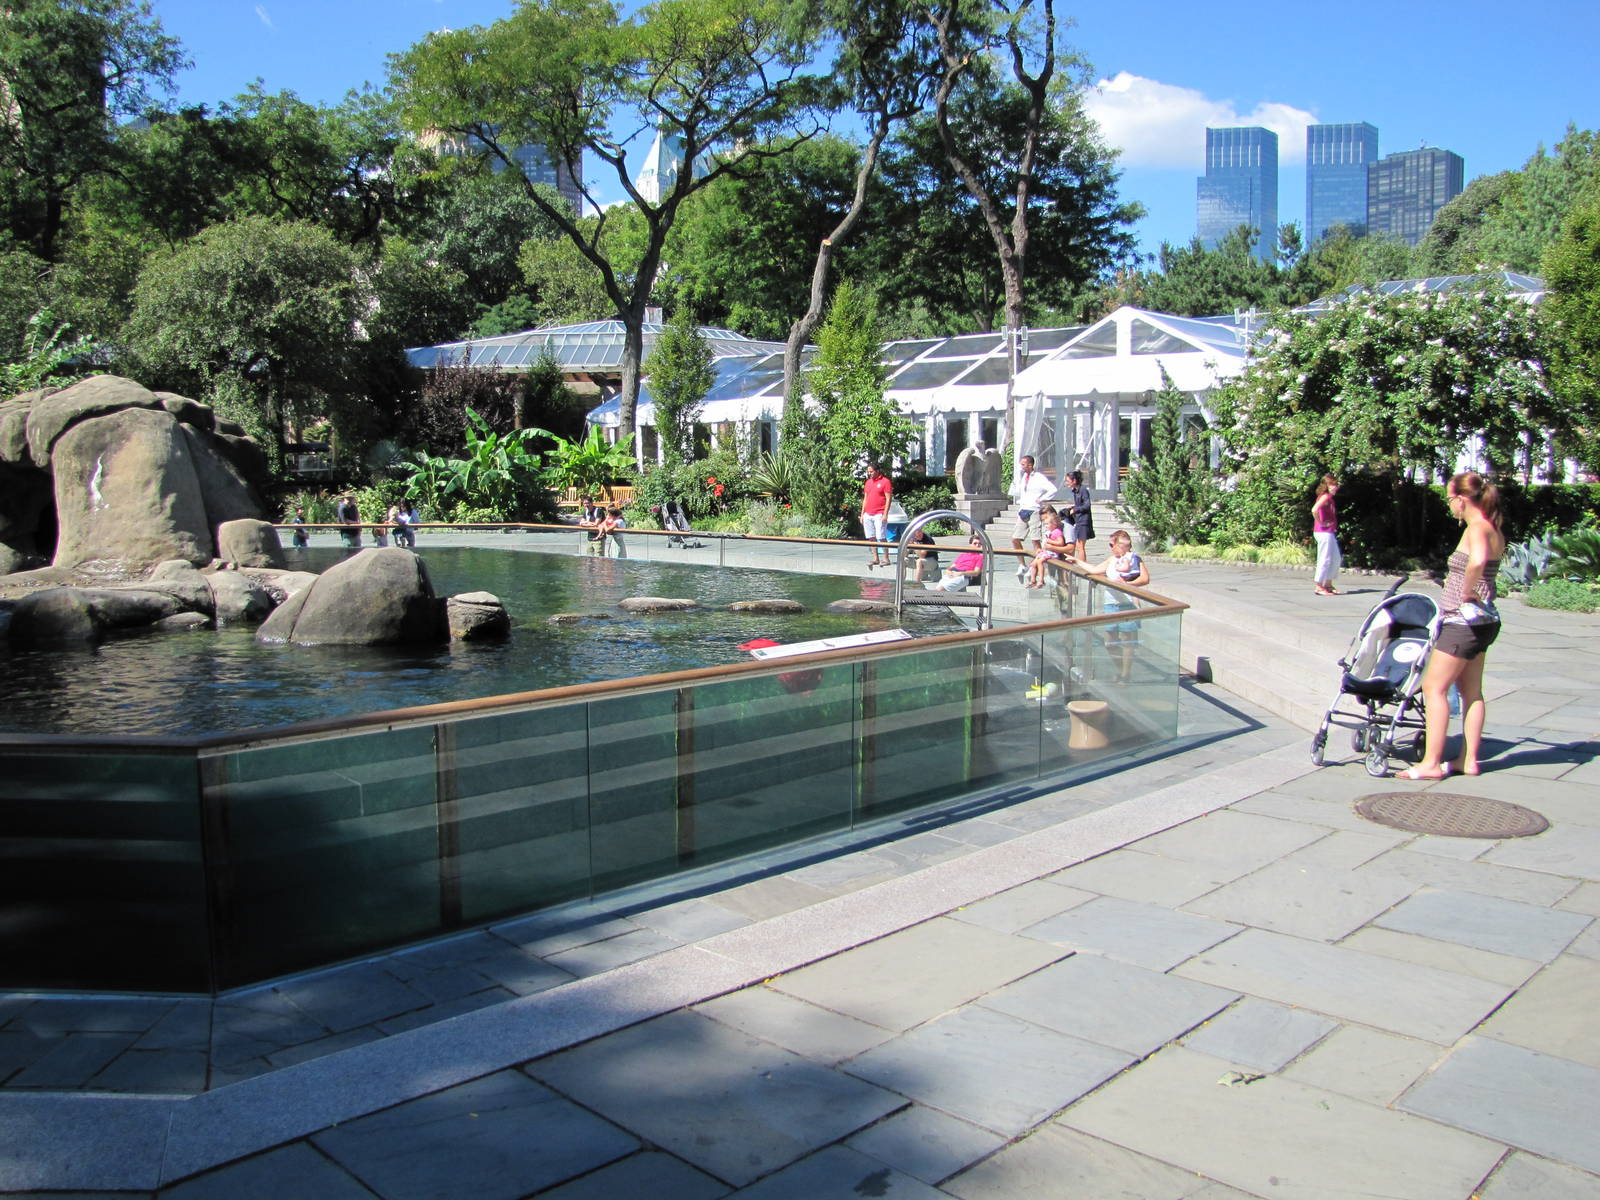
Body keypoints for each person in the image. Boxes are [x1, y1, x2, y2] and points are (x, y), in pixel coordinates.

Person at [1404, 471, 1505, 780]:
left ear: (1462, 499)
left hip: (1463, 621)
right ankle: (1468, 760)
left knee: (1434, 687)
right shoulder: (1495, 528)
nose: (1449, 505)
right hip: (1483, 621)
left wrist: (1467, 591)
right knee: (1471, 691)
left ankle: (1431, 763)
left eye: (1449, 499)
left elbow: (1477, 562)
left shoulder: (1477, 528)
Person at [1084, 529, 1150, 683]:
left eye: (1112, 544)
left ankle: (1125, 675)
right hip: (1111, 605)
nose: (1110, 547)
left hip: (1128, 604)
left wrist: (1126, 584)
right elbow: (1094, 570)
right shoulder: (1111, 559)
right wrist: (1076, 561)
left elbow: (1145, 578)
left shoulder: (1134, 558)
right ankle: (1121, 670)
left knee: (1127, 642)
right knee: (1109, 643)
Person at [1010, 454, 1057, 579]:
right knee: (1015, 538)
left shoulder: (1038, 477)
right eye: (1021, 464)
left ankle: (1036, 566)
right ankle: (1022, 564)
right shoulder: (1023, 477)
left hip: (1034, 510)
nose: (1022, 467)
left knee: (1035, 539)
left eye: (1024, 464)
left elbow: (1052, 489)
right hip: (1023, 509)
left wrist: (1041, 499)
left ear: (1030, 465)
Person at [1312, 474, 1342, 595]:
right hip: (1323, 532)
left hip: (1329, 532)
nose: (1335, 487)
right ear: (1326, 486)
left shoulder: (1329, 498)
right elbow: (1314, 510)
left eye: (1336, 484)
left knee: (1335, 558)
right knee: (1324, 558)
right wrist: (1321, 522)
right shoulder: (1325, 496)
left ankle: (1328, 585)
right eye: (1332, 485)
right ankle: (1319, 586)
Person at [1024, 506, 1067, 588]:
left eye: (1046, 521)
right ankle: (1033, 580)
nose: (1045, 524)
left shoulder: (1057, 531)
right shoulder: (1050, 531)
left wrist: (1049, 543)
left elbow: (1061, 543)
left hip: (1055, 555)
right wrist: (1041, 549)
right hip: (1047, 552)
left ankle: (1041, 580)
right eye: (1043, 521)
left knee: (1040, 562)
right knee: (1033, 563)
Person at [861, 463, 892, 568]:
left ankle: (886, 558)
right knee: (871, 537)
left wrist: (885, 514)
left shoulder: (885, 482)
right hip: (868, 514)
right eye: (868, 471)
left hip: (879, 513)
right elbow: (865, 499)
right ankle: (875, 558)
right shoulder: (868, 482)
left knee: (881, 536)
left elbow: (888, 498)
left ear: (877, 471)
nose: (869, 473)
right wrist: (862, 514)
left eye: (871, 471)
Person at [1063, 470, 1093, 562]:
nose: (1066, 483)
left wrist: (1075, 509)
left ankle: (1082, 567)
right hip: (1079, 520)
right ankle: (1080, 565)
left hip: (1083, 521)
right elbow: (1081, 504)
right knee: (1078, 546)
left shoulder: (1083, 490)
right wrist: (1073, 507)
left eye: (1068, 481)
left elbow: (1087, 505)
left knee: (1081, 547)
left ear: (1074, 481)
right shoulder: (1075, 491)